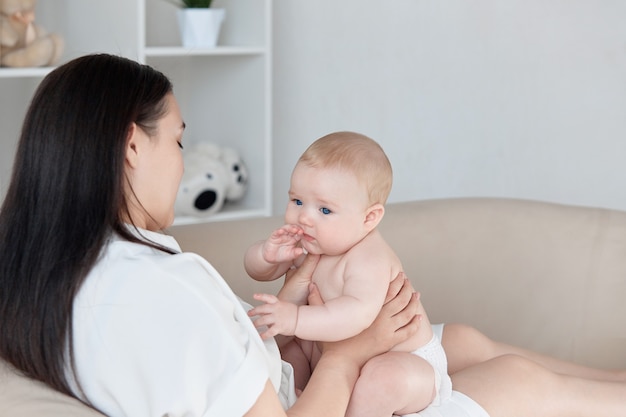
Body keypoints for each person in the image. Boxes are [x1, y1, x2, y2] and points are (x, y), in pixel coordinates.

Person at [0, 53, 624, 417]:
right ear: (132, 146)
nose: (184, 161)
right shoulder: (159, 291)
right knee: (518, 380)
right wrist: (354, 352)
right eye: (179, 139)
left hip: (308, 372)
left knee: (464, 340)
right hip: (333, 392)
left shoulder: (51, 279)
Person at [244, 131, 450, 416]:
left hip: (400, 358)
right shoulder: (310, 240)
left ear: (369, 218)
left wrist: (294, 318)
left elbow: (355, 315)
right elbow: (258, 272)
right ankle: (306, 400)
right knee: (286, 353)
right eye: (297, 201)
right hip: (331, 352)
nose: (304, 217)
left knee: (381, 379)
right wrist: (266, 255)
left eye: (325, 209)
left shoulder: (370, 258)